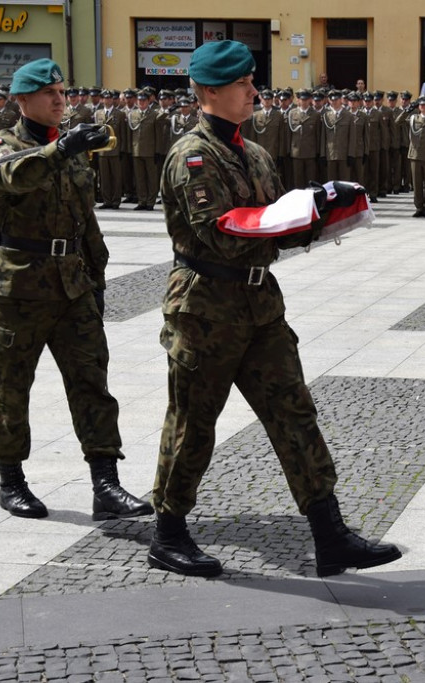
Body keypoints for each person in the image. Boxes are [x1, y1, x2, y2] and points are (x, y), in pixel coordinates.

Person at [149, 40, 402, 578]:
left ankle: (330, 533)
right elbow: (222, 233)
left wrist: (322, 212)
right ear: (209, 91)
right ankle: (168, 532)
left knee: (294, 413)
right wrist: (286, 219)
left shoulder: (255, 153)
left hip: (259, 305)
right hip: (206, 308)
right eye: (242, 84)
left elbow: (276, 226)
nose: (253, 91)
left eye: (251, 81)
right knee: (193, 422)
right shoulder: (191, 156)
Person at [0, 58, 154, 522]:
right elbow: (9, 180)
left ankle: (106, 484)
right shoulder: (1, 146)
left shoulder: (71, 146)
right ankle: (11, 481)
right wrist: (61, 150)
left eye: (62, 91)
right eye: (49, 93)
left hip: (73, 283)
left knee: (92, 382)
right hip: (20, 287)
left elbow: (86, 221)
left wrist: (96, 279)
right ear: (22, 101)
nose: (60, 100)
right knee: (12, 385)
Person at [395, 94, 425, 217]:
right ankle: (419, 207)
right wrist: (408, 109)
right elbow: (397, 122)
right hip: (415, 155)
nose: (423, 107)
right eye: (421, 105)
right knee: (417, 184)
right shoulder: (413, 118)